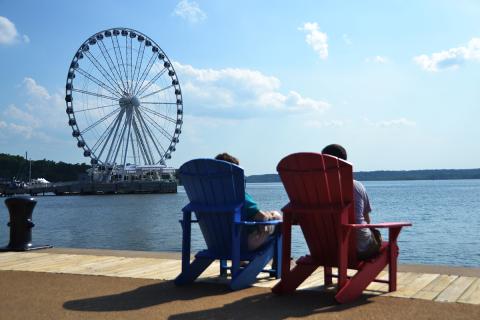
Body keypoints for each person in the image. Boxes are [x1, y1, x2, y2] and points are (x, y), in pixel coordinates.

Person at [321, 144, 382, 260]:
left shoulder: (316, 189)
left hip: (326, 248)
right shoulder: (356, 186)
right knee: (378, 237)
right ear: (343, 162)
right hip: (360, 249)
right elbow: (367, 219)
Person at [215, 153, 282, 251]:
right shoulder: (238, 195)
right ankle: (279, 264)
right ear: (234, 175)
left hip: (217, 242)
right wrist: (270, 216)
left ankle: (241, 262)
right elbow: (261, 217)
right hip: (241, 244)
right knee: (278, 218)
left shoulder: (208, 195)